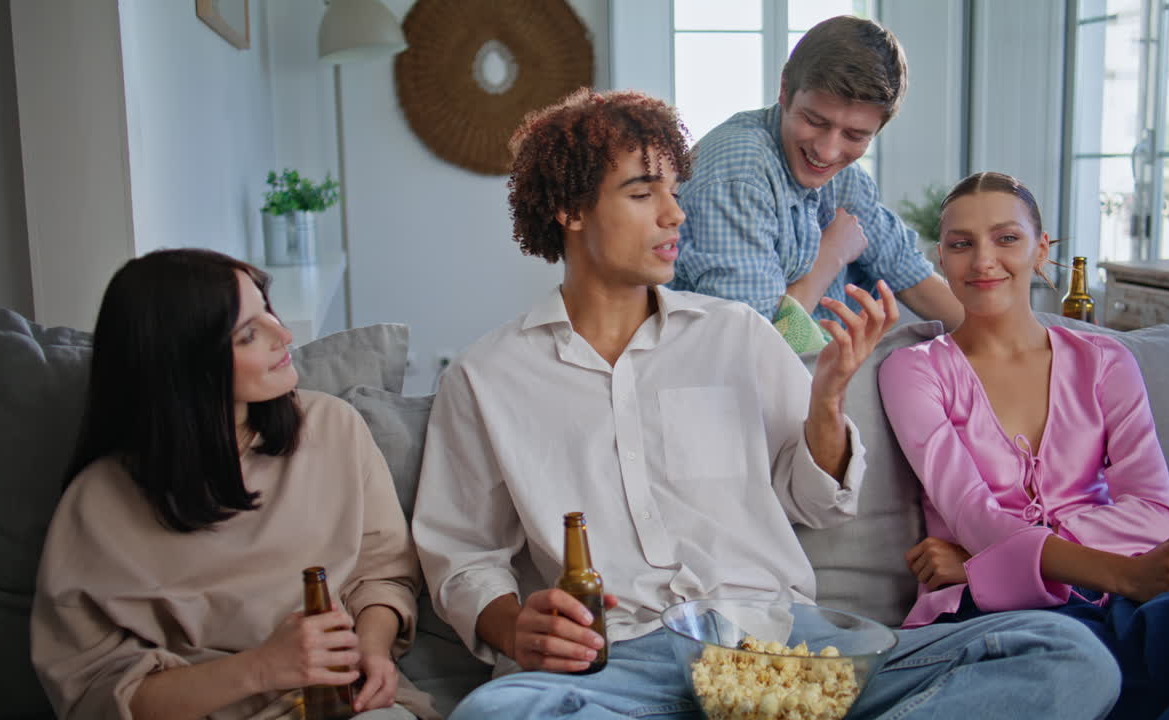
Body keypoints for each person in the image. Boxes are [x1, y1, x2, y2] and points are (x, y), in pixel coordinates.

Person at [412, 88, 1120, 720]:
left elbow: (812, 501)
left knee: (1064, 653)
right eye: (641, 193)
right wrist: (512, 626)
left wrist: (827, 401)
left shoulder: (737, 333)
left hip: (784, 653)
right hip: (620, 668)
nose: (673, 213)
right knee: (500, 712)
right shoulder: (488, 377)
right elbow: (464, 557)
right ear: (570, 211)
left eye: (674, 190)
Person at [878, 171, 1169, 719]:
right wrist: (1125, 572)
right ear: (941, 258)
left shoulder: (1105, 362)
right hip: (992, 611)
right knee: (1087, 668)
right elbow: (976, 519)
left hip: (1110, 601)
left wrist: (982, 562)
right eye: (961, 244)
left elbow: (1156, 514)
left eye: (1006, 238)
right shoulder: (914, 372)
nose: (983, 260)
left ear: (1041, 250)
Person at [30, 249, 437, 720]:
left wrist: (373, 651)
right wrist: (262, 669)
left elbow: (382, 574)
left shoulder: (332, 427)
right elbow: (97, 696)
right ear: (183, 364)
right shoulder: (99, 505)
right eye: (249, 333)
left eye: (267, 308)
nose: (283, 335)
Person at [669, 15, 963, 353]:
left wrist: (1006, 340)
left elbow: (907, 272)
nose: (827, 150)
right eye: (814, 120)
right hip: (736, 390)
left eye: (855, 135)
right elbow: (753, 348)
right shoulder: (740, 174)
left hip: (823, 380)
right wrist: (831, 255)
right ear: (784, 90)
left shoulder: (846, 179)